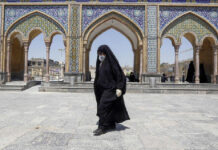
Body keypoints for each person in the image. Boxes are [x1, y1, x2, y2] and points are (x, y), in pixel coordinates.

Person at [93, 45, 130, 136]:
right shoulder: (100, 63)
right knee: (109, 108)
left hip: (111, 89)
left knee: (103, 107)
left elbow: (120, 75)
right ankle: (111, 124)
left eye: (102, 53)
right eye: (99, 53)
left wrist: (119, 88)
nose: (100, 55)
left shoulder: (111, 63)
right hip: (101, 90)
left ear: (106, 53)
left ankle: (102, 127)